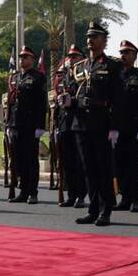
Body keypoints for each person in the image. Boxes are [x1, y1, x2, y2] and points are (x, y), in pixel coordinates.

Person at [71, 21, 123, 227]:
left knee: (103, 169)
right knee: (88, 169)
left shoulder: (112, 65)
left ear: (104, 40)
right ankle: (92, 209)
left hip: (102, 124)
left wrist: (115, 127)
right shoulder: (80, 67)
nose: (90, 40)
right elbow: (75, 95)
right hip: (81, 124)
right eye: (88, 37)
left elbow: (118, 99)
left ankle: (105, 209)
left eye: (94, 36)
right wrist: (68, 102)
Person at [113, 40, 138, 213]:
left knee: (134, 166)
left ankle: (136, 199)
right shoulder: (115, 75)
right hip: (118, 128)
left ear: (135, 56)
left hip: (135, 128)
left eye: (127, 53)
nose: (123, 55)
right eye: (121, 52)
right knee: (120, 164)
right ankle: (125, 198)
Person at [7, 46, 48, 205]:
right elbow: (11, 102)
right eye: (21, 57)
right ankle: (23, 191)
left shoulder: (38, 77)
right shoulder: (15, 77)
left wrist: (40, 125)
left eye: (25, 57)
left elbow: (41, 103)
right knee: (19, 159)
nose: (22, 60)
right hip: (16, 123)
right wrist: (9, 123)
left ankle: (32, 192)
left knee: (31, 159)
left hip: (30, 125)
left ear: (32, 59)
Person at [52, 45, 87, 208]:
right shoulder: (65, 76)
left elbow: (84, 97)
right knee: (67, 162)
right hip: (65, 123)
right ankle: (71, 195)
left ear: (82, 58)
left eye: (75, 56)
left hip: (78, 122)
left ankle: (81, 195)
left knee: (79, 162)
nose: (71, 59)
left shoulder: (84, 75)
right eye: (70, 57)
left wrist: (71, 101)